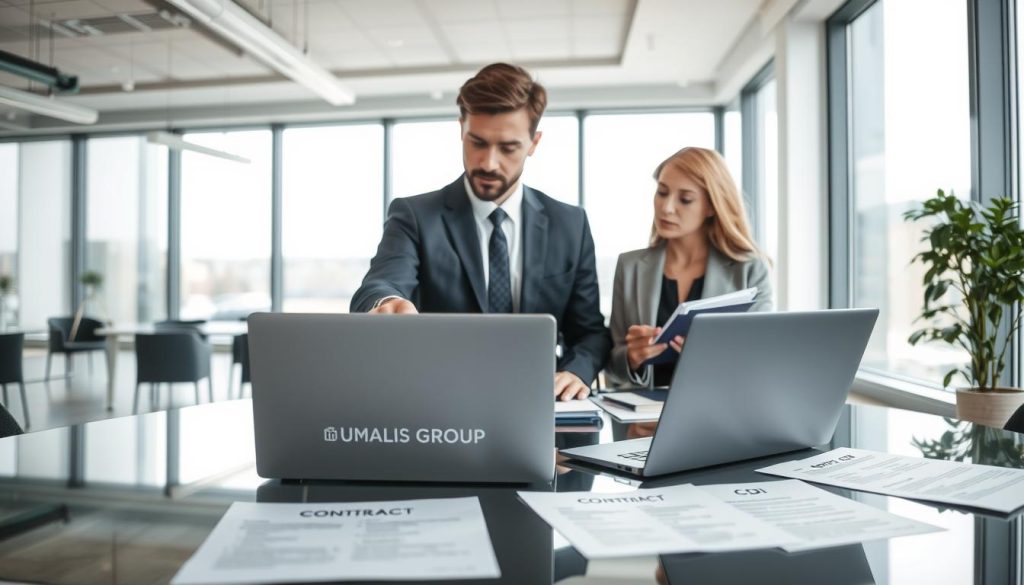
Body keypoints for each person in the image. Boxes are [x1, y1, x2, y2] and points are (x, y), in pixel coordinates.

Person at [351, 63, 611, 400]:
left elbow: (590, 332)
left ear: (534, 142)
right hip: (438, 400)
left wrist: (577, 370)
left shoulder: (570, 225)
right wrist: (387, 302)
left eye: (508, 148)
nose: (488, 163)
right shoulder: (414, 216)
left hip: (539, 399)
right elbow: (379, 284)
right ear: (461, 129)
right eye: (478, 142)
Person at [607, 146, 773, 389]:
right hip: (642, 419)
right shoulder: (630, 267)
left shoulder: (749, 270)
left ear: (711, 206)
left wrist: (708, 357)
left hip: (719, 416)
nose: (667, 207)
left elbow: (760, 360)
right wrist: (632, 358)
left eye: (685, 199)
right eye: (662, 192)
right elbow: (611, 364)